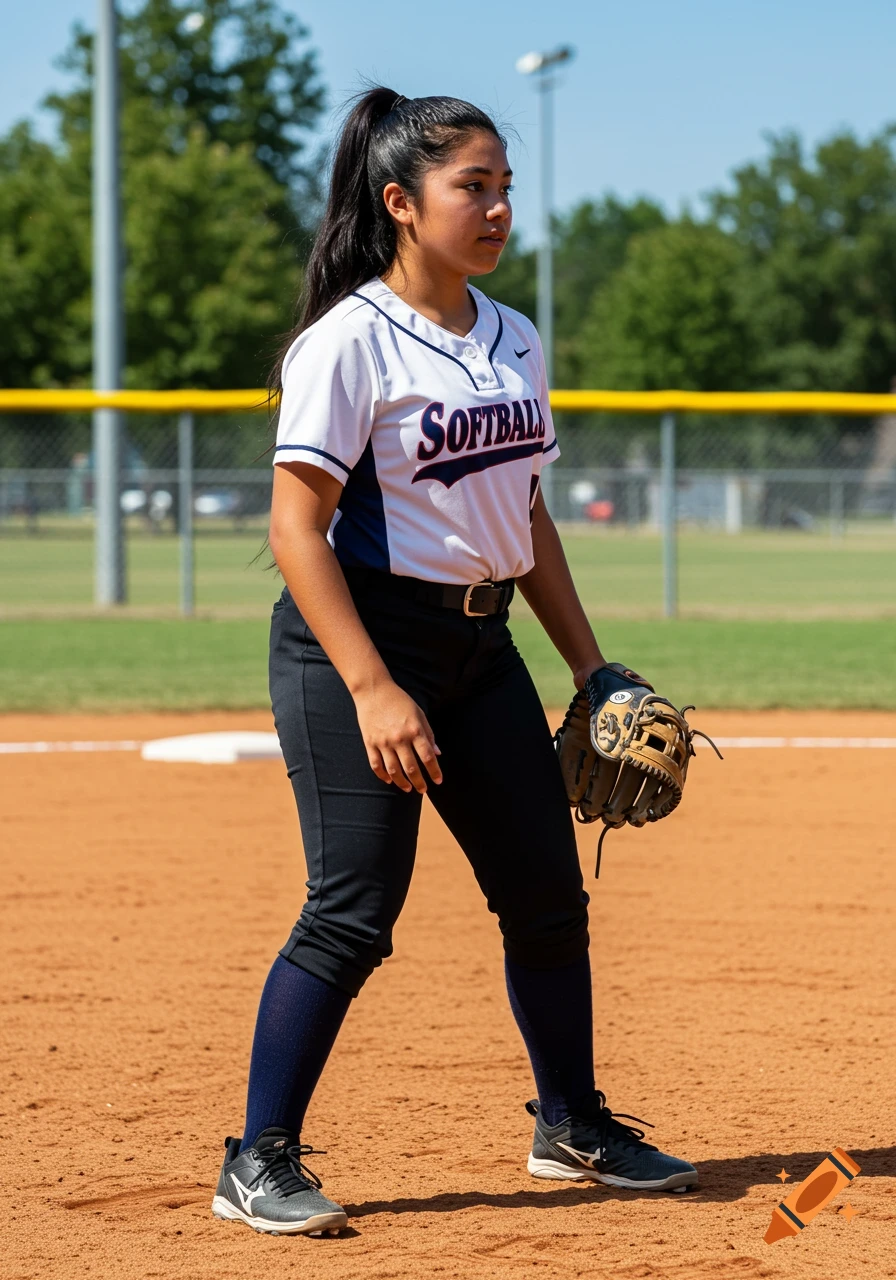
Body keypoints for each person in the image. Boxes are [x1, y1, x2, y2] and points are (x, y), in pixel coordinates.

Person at [211, 87, 697, 1238]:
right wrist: (374, 687)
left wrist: (590, 666)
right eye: (469, 185)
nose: (494, 207)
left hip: (482, 647)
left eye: (503, 186)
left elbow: (522, 513)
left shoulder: (512, 333)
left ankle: (568, 1120)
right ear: (398, 202)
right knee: (353, 909)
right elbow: (295, 529)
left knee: (543, 896)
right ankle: (257, 1154)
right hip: (357, 644)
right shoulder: (349, 339)